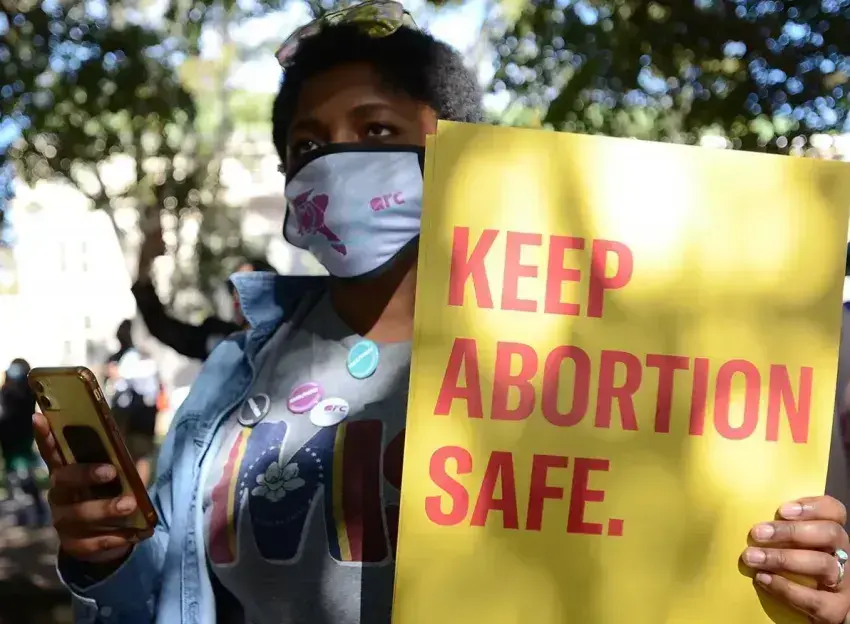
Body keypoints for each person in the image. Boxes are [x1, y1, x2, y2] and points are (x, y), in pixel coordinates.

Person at [30, 4, 850, 623]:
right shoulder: (232, 376)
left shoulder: (576, 360)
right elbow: (157, 597)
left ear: (459, 152)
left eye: (376, 130)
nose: (335, 160)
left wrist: (807, 579)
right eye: (307, 145)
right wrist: (102, 557)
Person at [134, 227, 277, 361]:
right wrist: (145, 264)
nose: (238, 295)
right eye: (235, 287)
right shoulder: (223, 337)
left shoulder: (284, 337)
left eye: (248, 285)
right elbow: (166, 330)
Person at [103, 321, 162, 486]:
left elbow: (150, 388)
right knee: (122, 455)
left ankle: (139, 492)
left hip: (141, 415)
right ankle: (128, 490)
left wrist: (121, 375)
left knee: (140, 455)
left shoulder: (143, 359)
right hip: (123, 414)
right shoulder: (116, 358)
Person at [0, 358, 48, 526]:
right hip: (9, 445)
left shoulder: (25, 394)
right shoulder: (6, 392)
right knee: (14, 480)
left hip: (21, 444)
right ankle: (25, 515)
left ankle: (38, 513)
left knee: (25, 479)